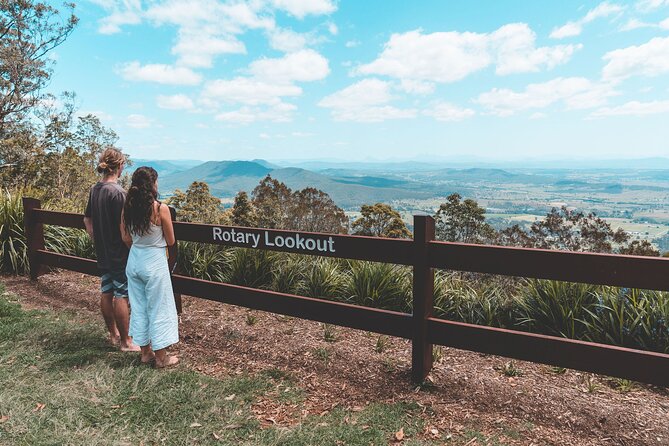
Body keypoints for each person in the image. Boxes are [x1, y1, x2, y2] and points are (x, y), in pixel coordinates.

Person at [120, 166, 179, 368]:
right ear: (152, 185)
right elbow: (170, 240)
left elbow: (125, 237)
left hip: (134, 261)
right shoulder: (160, 209)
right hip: (154, 263)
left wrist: (139, 247)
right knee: (158, 308)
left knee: (139, 307)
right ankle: (162, 358)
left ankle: (146, 353)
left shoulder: (127, 208)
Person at [84, 148, 140, 352]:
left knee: (106, 291)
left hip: (103, 252)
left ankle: (113, 334)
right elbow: (124, 230)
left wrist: (97, 239)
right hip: (119, 253)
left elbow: (87, 219)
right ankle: (126, 341)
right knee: (121, 295)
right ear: (120, 166)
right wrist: (132, 250)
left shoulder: (95, 189)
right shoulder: (118, 194)